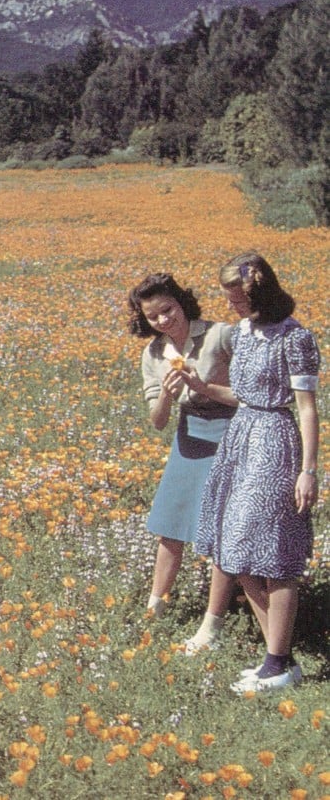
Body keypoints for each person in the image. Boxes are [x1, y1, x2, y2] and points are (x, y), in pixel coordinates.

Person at [193, 251, 320, 691]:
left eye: (238, 299)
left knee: (275, 552)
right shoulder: (244, 332)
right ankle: (280, 661)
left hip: (275, 443)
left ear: (260, 292)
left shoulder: (294, 338)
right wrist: (203, 387)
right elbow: (242, 394)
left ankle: (277, 663)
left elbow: (306, 409)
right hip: (241, 441)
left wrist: (308, 470)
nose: (232, 307)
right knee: (236, 548)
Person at [128, 273, 236, 617]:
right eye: (152, 316)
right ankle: (154, 609)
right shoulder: (154, 353)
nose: (163, 320)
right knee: (170, 525)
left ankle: (214, 620)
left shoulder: (220, 335)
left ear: (181, 302)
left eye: (168, 309)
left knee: (223, 529)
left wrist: (203, 387)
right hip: (189, 437)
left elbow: (252, 396)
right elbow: (158, 421)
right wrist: (166, 396)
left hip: (231, 435)